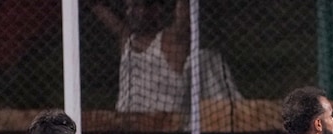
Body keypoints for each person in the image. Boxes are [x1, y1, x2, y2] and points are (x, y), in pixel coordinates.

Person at [90, 0, 241, 114]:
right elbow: (103, 13)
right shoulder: (127, 42)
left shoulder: (170, 42)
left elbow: (183, 19)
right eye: (129, 7)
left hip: (163, 127)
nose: (131, 12)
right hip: (127, 127)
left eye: (137, 6)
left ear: (154, 10)